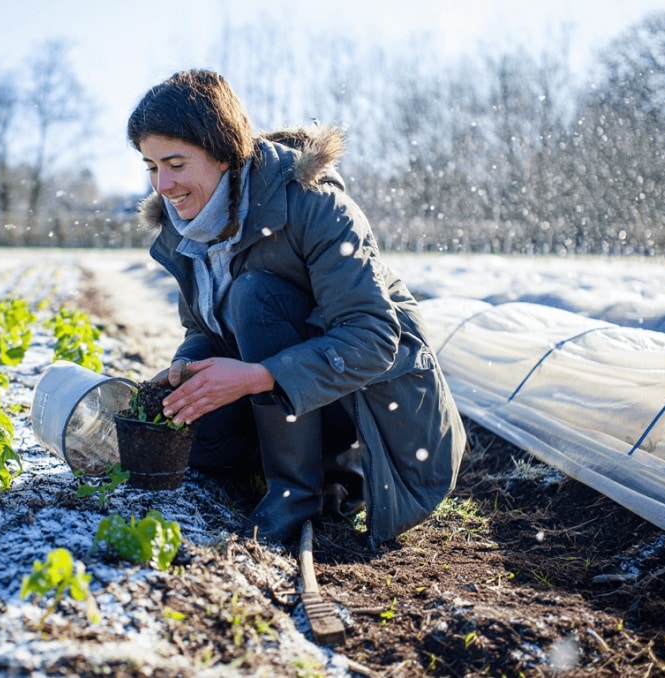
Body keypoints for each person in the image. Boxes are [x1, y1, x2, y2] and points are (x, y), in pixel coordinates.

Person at [127, 68, 467, 547]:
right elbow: (201, 326)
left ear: (223, 153)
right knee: (198, 438)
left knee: (254, 295)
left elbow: (371, 340)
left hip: (368, 403)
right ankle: (283, 468)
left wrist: (258, 376)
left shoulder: (315, 206)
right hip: (291, 391)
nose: (162, 184)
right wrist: (190, 364)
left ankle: (297, 490)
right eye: (151, 166)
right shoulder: (186, 229)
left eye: (176, 163)